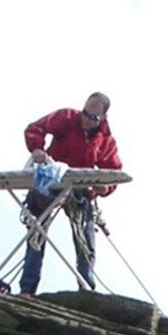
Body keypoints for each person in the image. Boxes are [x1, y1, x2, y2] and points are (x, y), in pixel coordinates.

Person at [20, 92, 122, 296]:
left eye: (92, 118)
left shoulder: (105, 140)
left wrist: (105, 187)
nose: (86, 120)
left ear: (102, 118)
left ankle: (86, 287)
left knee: (85, 233)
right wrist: (37, 148)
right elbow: (35, 128)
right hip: (51, 180)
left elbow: (114, 172)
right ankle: (27, 288)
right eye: (85, 113)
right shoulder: (66, 117)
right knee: (37, 229)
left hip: (81, 187)